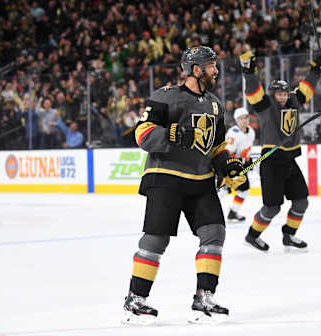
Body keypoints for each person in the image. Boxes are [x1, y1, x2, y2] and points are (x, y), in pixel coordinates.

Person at [122, 46, 246, 325]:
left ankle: (204, 296)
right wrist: (174, 134)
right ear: (195, 69)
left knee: (214, 232)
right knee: (156, 239)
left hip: (200, 180)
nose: (216, 70)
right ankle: (135, 299)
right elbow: (142, 134)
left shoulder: (215, 104)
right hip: (165, 176)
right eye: (211, 66)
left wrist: (228, 165)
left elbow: (217, 146)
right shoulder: (166, 97)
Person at [239, 50, 321, 252]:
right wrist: (249, 72)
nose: (283, 97)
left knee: (301, 202)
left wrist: (316, 69)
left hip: (289, 162)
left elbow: (306, 87)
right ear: (273, 95)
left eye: (285, 93)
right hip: (271, 164)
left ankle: (289, 235)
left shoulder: (294, 101)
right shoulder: (265, 106)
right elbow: (254, 91)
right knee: (272, 208)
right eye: (279, 94)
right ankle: (252, 236)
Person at [224, 107, 255, 222]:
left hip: (240, 165)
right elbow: (226, 153)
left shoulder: (251, 131)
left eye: (246, 118)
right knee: (222, 191)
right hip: (230, 165)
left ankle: (233, 212)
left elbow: (246, 150)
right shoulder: (233, 133)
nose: (244, 120)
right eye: (241, 118)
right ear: (237, 120)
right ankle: (207, 214)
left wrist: (248, 160)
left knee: (244, 190)